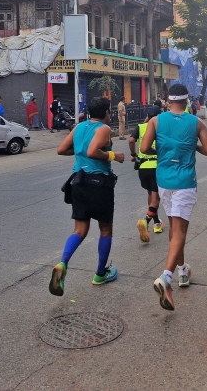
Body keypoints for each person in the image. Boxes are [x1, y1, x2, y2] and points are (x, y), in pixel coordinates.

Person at [140, 83, 207, 310]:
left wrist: (160, 153)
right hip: (184, 183)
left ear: (168, 100)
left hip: (164, 181)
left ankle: (182, 271)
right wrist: (194, 147)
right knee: (180, 231)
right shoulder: (196, 122)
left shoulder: (156, 121)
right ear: (187, 100)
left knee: (175, 229)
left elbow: (144, 148)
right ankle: (166, 277)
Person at [49, 97, 124, 297]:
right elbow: (93, 151)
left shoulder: (79, 127)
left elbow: (61, 150)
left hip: (79, 182)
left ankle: (62, 263)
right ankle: (100, 274)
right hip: (99, 184)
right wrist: (113, 156)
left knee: (80, 229)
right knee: (105, 229)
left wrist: (79, 152)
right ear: (107, 112)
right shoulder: (104, 129)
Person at [129, 107, 164, 242]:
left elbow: (131, 140)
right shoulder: (161, 128)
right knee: (156, 199)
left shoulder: (141, 127)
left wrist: (133, 154)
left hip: (143, 167)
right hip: (156, 166)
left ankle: (157, 223)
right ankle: (145, 221)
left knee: (150, 194)